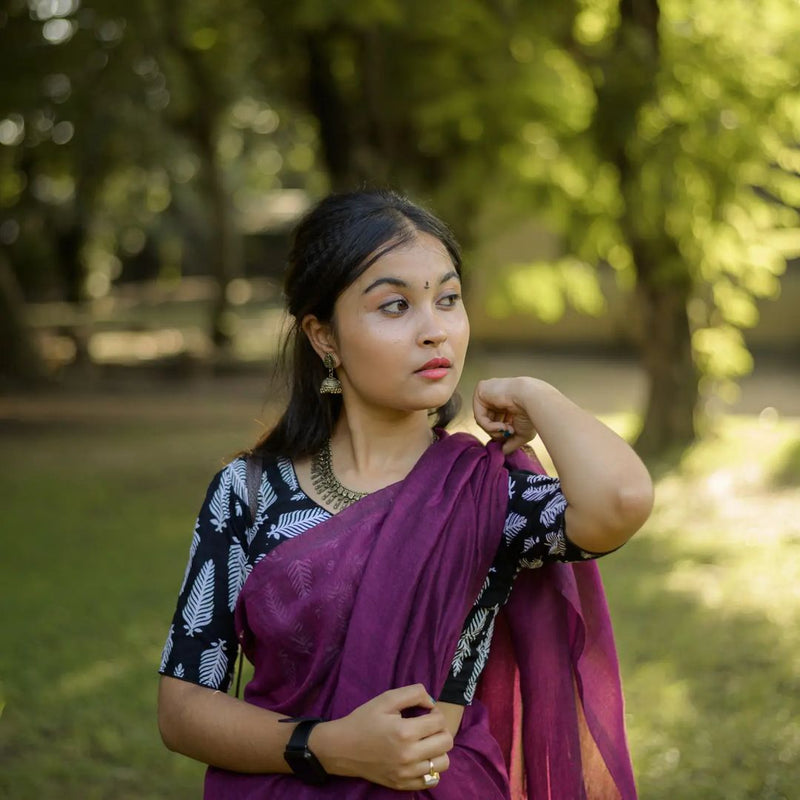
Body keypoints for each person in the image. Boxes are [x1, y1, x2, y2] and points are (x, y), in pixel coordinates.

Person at [157, 189, 653, 799]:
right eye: (395, 306)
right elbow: (182, 708)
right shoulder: (250, 492)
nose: (434, 331)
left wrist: (535, 394)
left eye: (448, 300)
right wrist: (329, 746)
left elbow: (621, 501)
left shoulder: (485, 494)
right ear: (323, 337)